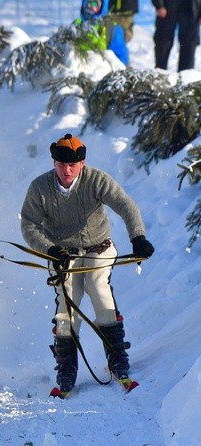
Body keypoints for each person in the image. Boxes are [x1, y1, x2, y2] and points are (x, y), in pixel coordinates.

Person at [20, 134, 155, 396]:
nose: (66, 170)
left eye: (72, 165)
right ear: (54, 162)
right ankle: (66, 370)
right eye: (60, 164)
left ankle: (118, 362)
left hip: (99, 249)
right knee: (66, 305)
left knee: (98, 289)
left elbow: (125, 205)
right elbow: (29, 224)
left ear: (82, 163)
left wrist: (138, 238)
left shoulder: (97, 180)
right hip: (62, 255)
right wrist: (50, 250)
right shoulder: (40, 188)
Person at [76, 0, 130, 66]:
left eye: (94, 3)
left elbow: (122, 60)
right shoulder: (76, 25)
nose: (89, 6)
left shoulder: (112, 30)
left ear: (102, 6)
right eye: (87, 2)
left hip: (102, 72)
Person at [152, 0, 201, 71]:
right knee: (163, 41)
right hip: (167, 6)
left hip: (192, 8)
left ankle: (185, 76)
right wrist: (159, 5)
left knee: (189, 44)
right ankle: (160, 74)